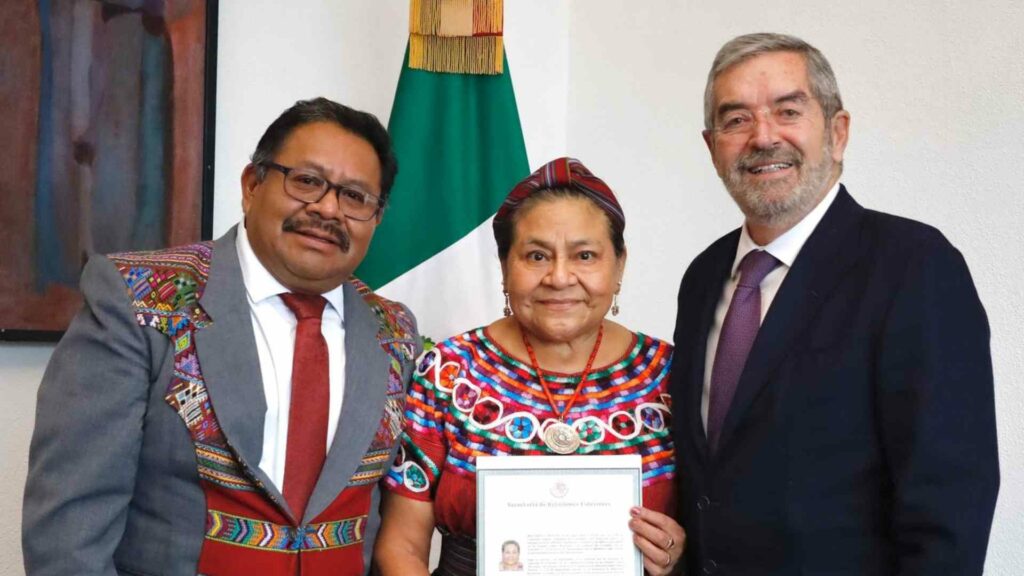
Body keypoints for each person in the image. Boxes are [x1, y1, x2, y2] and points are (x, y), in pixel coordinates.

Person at [22, 97, 421, 576]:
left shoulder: (394, 331)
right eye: (307, 181)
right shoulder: (137, 299)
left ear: (377, 218)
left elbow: (391, 528)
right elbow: (69, 537)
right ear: (252, 185)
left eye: (355, 197)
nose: (328, 209)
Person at [670, 32, 999, 575]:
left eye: (788, 111)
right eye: (737, 120)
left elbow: (950, 503)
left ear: (837, 132)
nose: (763, 137)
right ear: (712, 148)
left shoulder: (913, 266)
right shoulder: (703, 277)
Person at [374, 158, 685, 576]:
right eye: (536, 256)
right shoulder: (448, 371)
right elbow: (401, 547)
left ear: (619, 265)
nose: (559, 277)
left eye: (585, 255)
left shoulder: (671, 375)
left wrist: (676, 552)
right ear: (505, 266)